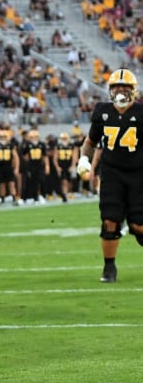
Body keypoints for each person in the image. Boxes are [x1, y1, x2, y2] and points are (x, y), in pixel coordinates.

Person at [77, 69, 143, 283]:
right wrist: (84, 159)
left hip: (139, 175)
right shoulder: (102, 112)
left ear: (134, 91)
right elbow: (90, 142)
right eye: (116, 87)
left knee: (138, 226)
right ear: (110, 90)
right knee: (110, 222)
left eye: (125, 88)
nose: (121, 91)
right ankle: (109, 268)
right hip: (112, 174)